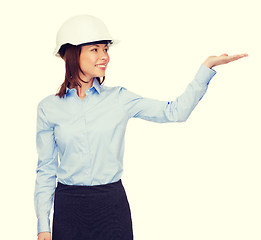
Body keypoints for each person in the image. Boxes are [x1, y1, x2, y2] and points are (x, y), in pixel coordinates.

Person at [34, 14, 248, 240]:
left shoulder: (119, 99)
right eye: (95, 49)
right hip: (69, 208)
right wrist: (43, 225)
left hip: (110, 206)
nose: (104, 56)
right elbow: (46, 169)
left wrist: (206, 68)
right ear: (72, 53)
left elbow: (174, 111)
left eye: (106, 49)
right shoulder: (49, 108)